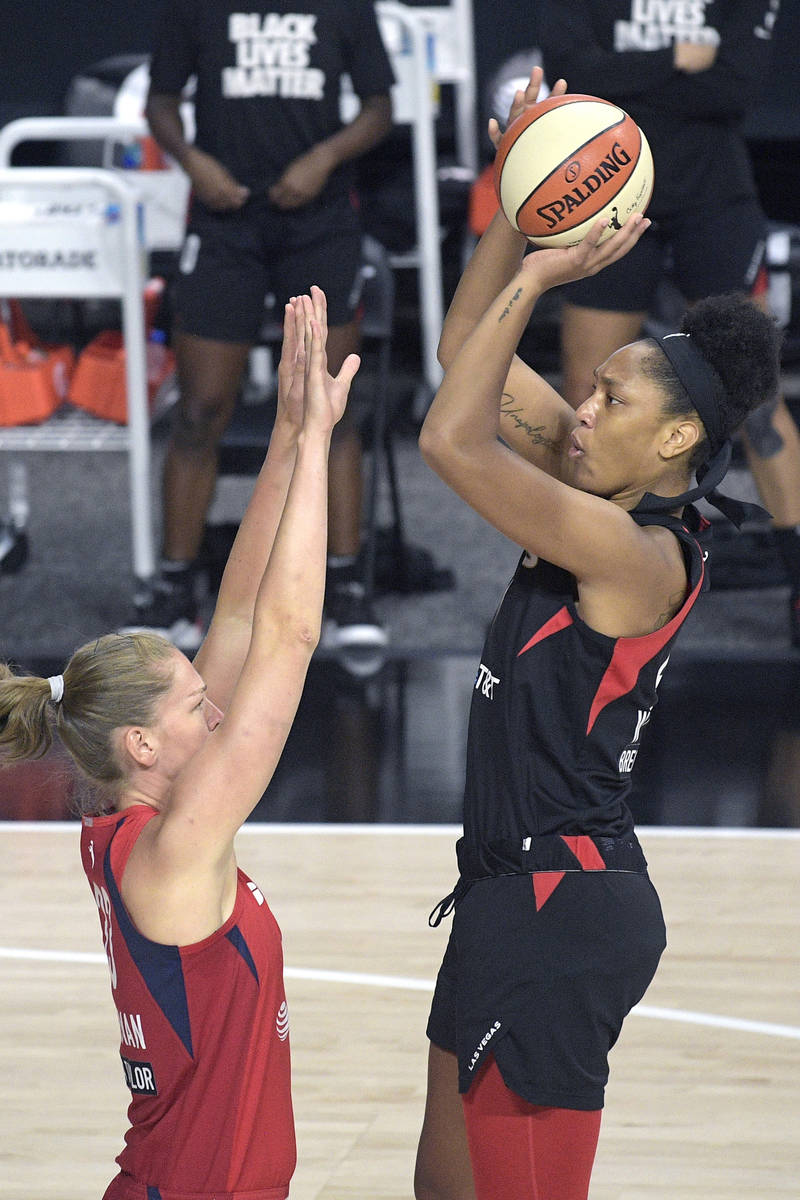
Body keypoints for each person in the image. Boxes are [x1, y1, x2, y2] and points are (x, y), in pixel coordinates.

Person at [413, 69, 782, 1200]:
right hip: (504, 901)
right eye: (586, 389)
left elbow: (448, 441)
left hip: (558, 914)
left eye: (608, 399)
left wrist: (537, 270)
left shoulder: (634, 552)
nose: (579, 408)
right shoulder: (597, 502)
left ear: (676, 436)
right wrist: (512, 203)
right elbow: (459, 354)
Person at [0, 289, 359, 1200]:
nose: (219, 714)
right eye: (198, 707)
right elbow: (288, 636)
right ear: (142, 747)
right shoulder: (176, 846)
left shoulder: (142, 826)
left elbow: (241, 613)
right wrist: (319, 446)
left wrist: (282, 433)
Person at [538, 0, 800, 647]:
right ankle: (580, 572)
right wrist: (677, 61)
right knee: (588, 398)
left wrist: (626, 77)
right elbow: (570, 73)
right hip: (608, 194)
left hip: (713, 194)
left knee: (757, 406)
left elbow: (735, 84)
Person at [136, 0, 394, 656]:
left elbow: (378, 109)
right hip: (224, 221)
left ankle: (346, 587)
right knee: (200, 409)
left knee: (329, 407)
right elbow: (161, 103)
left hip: (321, 216)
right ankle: (174, 584)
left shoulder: (345, 8)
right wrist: (195, 163)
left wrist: (323, 158)